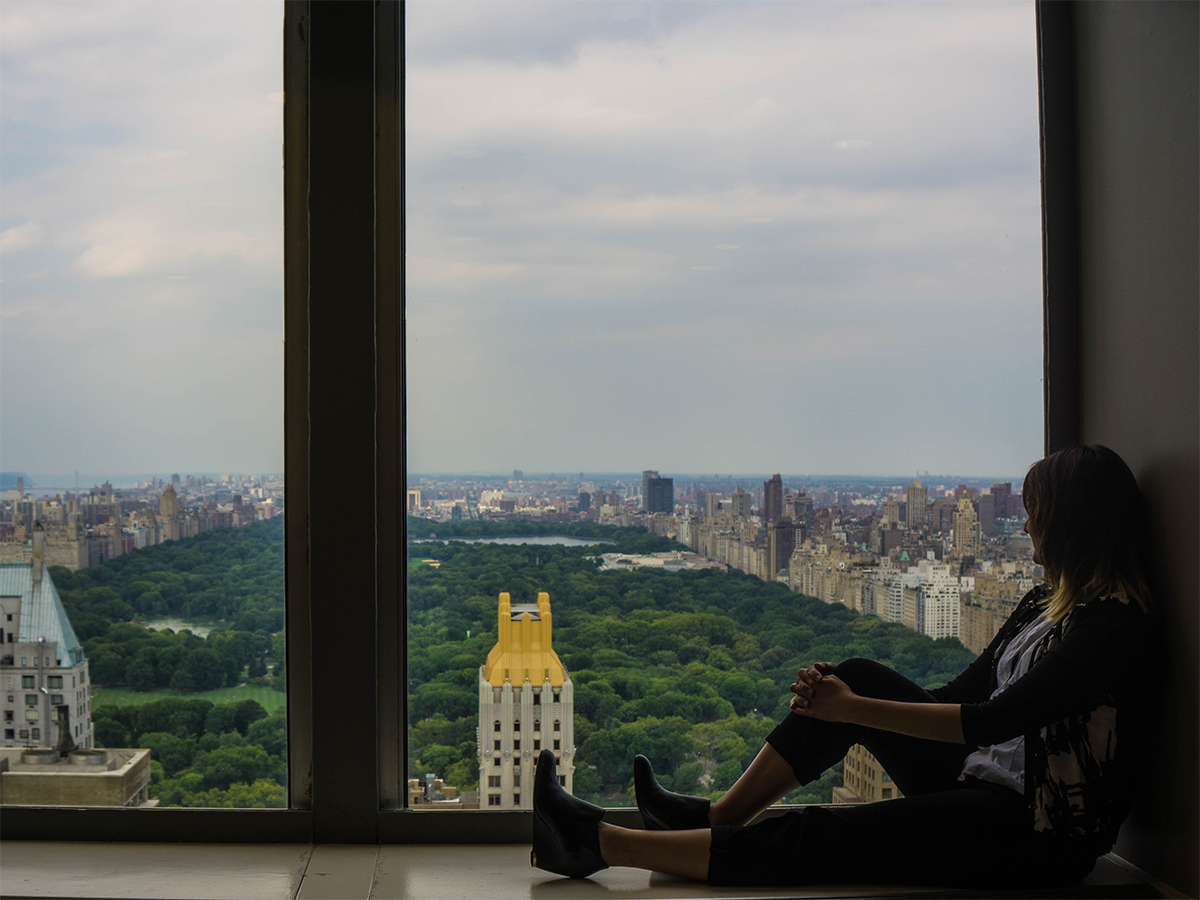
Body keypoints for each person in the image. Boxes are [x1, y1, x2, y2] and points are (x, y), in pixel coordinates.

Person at [532, 445, 1156, 889]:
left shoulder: (1112, 628)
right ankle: (713, 818)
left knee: (829, 835)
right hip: (980, 778)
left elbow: (995, 719)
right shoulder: (1043, 604)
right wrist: (846, 696)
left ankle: (598, 842)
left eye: (1038, 513)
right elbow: (959, 693)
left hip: (1035, 831)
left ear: (1074, 524)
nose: (1028, 527)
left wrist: (850, 710)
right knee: (854, 671)